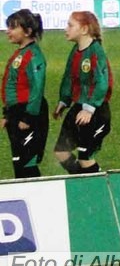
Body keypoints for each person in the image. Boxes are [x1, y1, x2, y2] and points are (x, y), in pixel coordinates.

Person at [53, 11, 113, 174]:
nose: (66, 29)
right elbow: (68, 77)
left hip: (96, 111)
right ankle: (84, 183)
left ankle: (101, 187)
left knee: (85, 157)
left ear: (84, 29)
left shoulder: (96, 51)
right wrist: (63, 101)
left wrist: (89, 108)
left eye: (70, 25)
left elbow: (102, 82)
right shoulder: (75, 51)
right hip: (78, 107)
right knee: (61, 152)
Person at [2, 9, 49, 178]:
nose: (8, 31)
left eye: (13, 28)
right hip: (17, 113)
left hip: (28, 114)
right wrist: (8, 114)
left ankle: (40, 199)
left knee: (27, 162)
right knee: (19, 161)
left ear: (28, 32)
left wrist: (28, 117)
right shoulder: (19, 53)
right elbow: (12, 85)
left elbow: (37, 87)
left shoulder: (33, 55)